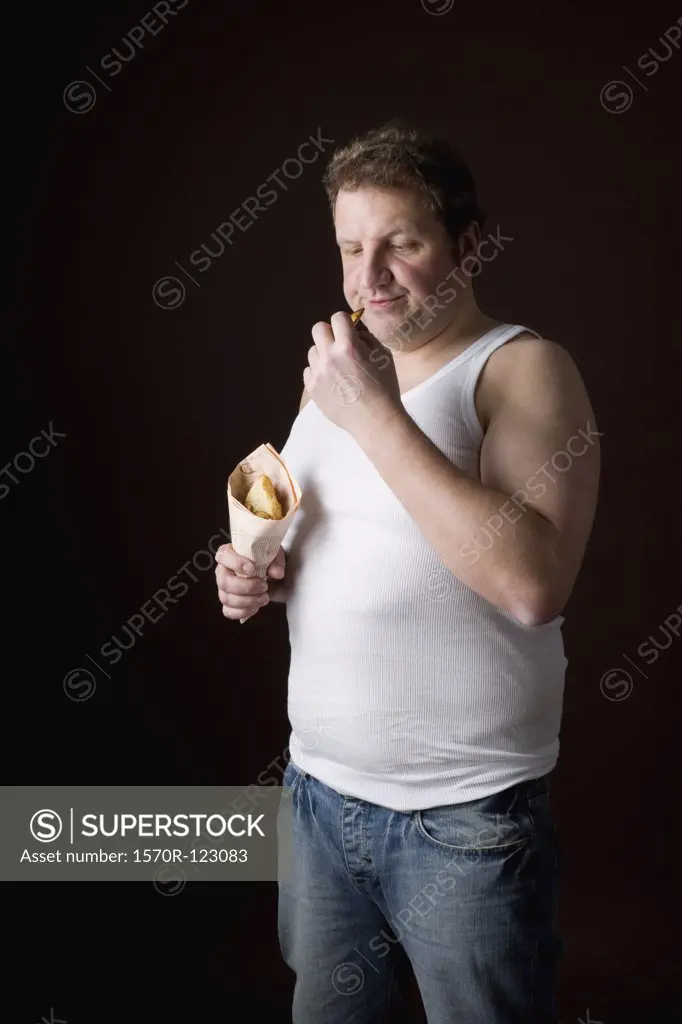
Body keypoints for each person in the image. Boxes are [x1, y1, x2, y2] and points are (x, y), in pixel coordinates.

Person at [214, 119, 600, 1024]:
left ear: (467, 246)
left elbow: (531, 585)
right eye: (351, 247)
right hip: (316, 797)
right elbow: (337, 540)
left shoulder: (521, 369)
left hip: (463, 822)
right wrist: (256, 575)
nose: (368, 277)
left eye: (402, 244)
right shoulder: (336, 376)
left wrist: (377, 413)